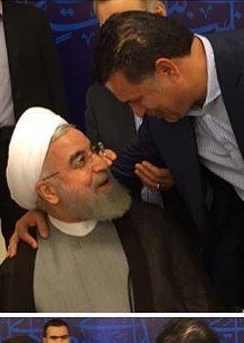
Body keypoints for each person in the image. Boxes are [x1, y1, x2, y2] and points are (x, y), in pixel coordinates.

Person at [94, 12, 244, 311]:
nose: (138, 113)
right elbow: (119, 177)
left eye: (137, 99)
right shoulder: (162, 121)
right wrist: (43, 207)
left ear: (167, 70)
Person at [0, 107, 221, 312]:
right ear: (48, 192)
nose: (101, 164)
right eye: (80, 161)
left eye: (94, 151)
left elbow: (203, 309)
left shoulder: (154, 227)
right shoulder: (19, 271)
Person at [0, 0, 68, 298]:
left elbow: (55, 84)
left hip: (21, 150)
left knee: (25, 239)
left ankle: (20, 302)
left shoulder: (31, 21)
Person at [86, 1, 176, 213]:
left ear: (158, 14)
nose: (117, 40)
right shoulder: (98, 97)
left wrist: (181, 176)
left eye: (127, 25)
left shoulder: (185, 82)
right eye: (108, 29)